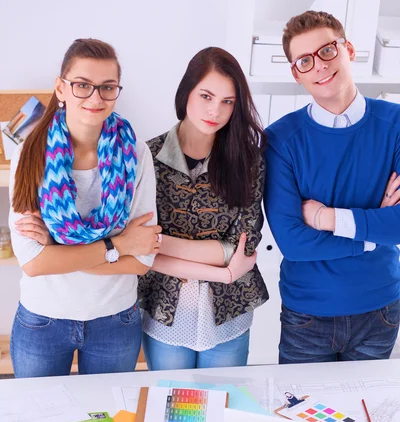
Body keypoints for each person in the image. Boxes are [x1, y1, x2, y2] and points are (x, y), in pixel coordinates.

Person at [9, 38, 161, 378]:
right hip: (42, 319)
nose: (95, 98)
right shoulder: (30, 152)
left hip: (115, 320)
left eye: (107, 87)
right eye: (82, 86)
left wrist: (58, 249)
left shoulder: (135, 153)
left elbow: (141, 261)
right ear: (61, 89)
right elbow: (33, 263)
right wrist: (117, 245)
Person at [264, 11, 400, 364]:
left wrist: (325, 218)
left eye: (327, 51)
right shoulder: (280, 140)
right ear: (296, 74)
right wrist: (374, 233)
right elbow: (293, 243)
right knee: (298, 418)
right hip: (307, 315)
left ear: (349, 50)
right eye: (305, 61)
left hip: (380, 310)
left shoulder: (396, 125)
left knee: (367, 418)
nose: (320, 67)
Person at [138, 47, 269, 370]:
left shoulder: (249, 160)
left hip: (229, 313)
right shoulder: (147, 157)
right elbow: (139, 250)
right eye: (206, 96)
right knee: (169, 410)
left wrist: (162, 244)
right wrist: (222, 266)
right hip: (165, 312)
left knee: (223, 408)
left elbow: (245, 244)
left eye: (228, 102)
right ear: (186, 92)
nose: (215, 111)